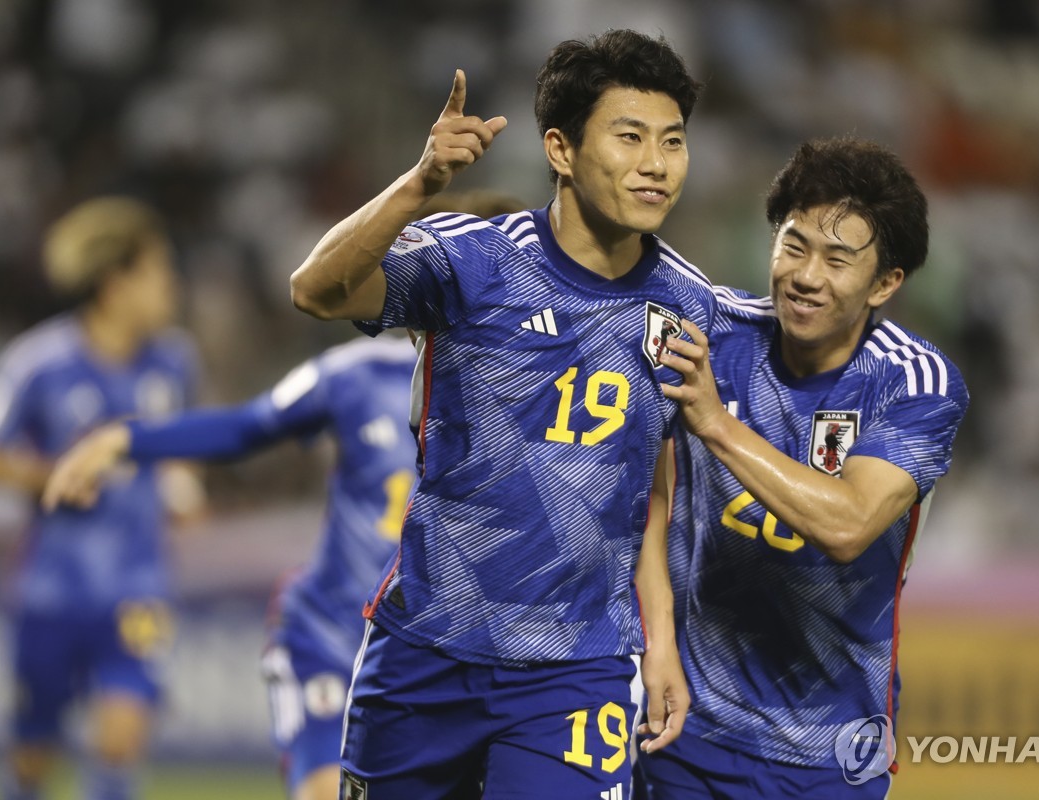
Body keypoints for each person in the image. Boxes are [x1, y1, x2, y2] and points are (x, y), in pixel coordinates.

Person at [288, 29, 711, 799]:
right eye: (630, 137)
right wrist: (420, 182)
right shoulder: (471, 261)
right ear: (560, 149)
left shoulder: (692, 309)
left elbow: (653, 493)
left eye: (673, 141)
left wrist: (661, 644)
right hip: (425, 649)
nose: (656, 163)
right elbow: (315, 290)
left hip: (575, 671)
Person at [40, 190, 525, 800]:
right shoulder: (353, 377)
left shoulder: (540, 406)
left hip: (446, 653)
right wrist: (125, 441)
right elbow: (248, 427)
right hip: (332, 637)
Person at [636, 137, 970, 799]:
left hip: (830, 754)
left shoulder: (916, 385)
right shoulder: (713, 333)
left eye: (838, 259)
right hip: (688, 731)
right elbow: (649, 500)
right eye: (794, 245)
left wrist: (716, 424)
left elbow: (847, 525)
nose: (806, 275)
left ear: (886, 282)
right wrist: (658, 645)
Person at [0, 196, 202, 800]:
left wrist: (184, 485)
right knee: (33, 752)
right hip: (52, 588)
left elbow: (178, 455)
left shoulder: (174, 363)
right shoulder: (39, 363)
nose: (173, 286)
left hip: (140, 583)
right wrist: (57, 476)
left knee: (120, 736)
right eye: (159, 271)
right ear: (116, 282)